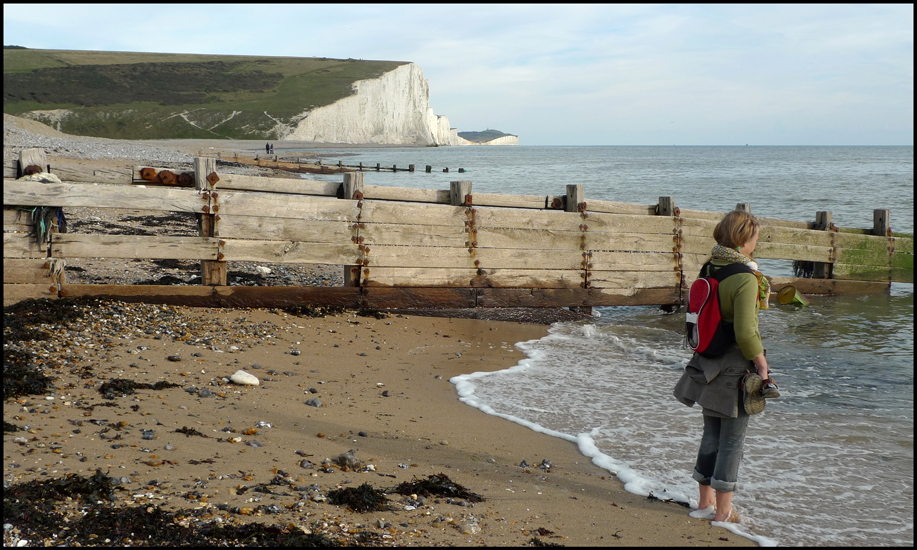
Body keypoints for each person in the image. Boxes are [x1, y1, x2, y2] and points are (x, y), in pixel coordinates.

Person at [673, 209, 779, 524]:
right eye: (755, 238)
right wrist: (762, 366)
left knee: (711, 435)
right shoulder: (745, 278)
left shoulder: (711, 266)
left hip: (706, 362)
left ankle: (704, 503)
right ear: (744, 239)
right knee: (732, 441)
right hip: (734, 367)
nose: (756, 244)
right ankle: (723, 513)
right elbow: (746, 332)